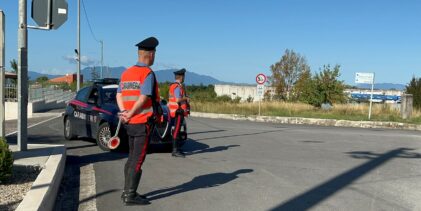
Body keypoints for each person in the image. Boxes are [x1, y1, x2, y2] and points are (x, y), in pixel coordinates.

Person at [116, 36, 160, 206]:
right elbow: (143, 98)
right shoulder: (147, 73)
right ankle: (130, 195)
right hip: (142, 123)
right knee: (138, 159)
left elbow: (119, 94)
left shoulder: (126, 73)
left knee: (131, 158)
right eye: (155, 53)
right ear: (149, 54)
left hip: (129, 124)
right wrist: (132, 113)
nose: (155, 57)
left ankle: (127, 191)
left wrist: (124, 112)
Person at [168, 68, 190, 157]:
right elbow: (177, 99)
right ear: (181, 77)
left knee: (177, 130)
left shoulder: (175, 86)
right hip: (178, 111)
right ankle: (175, 150)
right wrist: (186, 98)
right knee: (176, 130)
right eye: (183, 76)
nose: (184, 78)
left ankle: (176, 148)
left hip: (177, 111)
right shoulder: (177, 87)